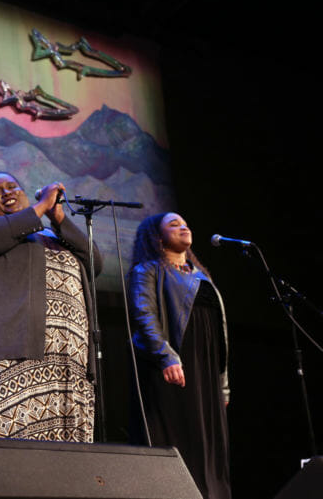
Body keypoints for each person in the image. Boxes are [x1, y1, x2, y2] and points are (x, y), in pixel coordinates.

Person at [0, 172, 103, 463]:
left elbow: (95, 263)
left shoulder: (54, 235)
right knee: (4, 462)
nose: (5, 193)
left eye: (12, 186)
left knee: (59, 466)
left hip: (64, 362)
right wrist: (40, 208)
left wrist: (59, 219)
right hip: (4, 353)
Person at [128, 213, 231, 499]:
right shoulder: (147, 270)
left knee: (210, 445)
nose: (184, 226)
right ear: (158, 238)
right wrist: (167, 356)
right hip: (176, 366)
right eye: (173, 224)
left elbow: (220, 334)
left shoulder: (201, 274)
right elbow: (144, 315)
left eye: (185, 223)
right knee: (181, 438)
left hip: (207, 369)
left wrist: (223, 382)